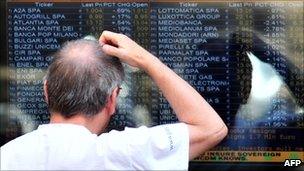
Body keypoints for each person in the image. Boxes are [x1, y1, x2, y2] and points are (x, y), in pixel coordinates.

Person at [1, 31, 228, 170]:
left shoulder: (6, 156)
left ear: (46, 92)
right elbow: (211, 128)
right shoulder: (124, 153)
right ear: (112, 100)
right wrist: (146, 59)